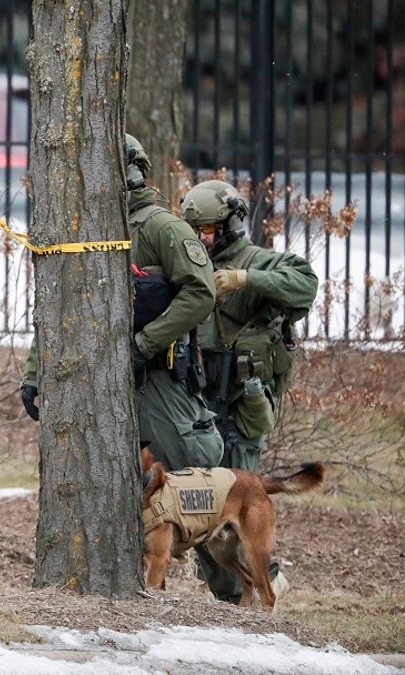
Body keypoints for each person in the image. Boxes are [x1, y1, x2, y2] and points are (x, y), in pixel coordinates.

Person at [21, 134, 224, 474]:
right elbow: (58, 307)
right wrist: (34, 374)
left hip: (158, 378)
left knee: (183, 472)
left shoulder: (162, 228)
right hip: (92, 377)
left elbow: (200, 293)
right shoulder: (79, 232)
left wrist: (144, 345)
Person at [181, 178, 319, 603]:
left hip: (241, 405)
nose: (202, 239)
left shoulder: (261, 261)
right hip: (199, 402)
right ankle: (234, 585)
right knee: (203, 510)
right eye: (196, 231)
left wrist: (244, 278)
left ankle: (262, 584)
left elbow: (305, 285)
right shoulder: (188, 262)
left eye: (208, 230)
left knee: (237, 506)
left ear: (230, 224)